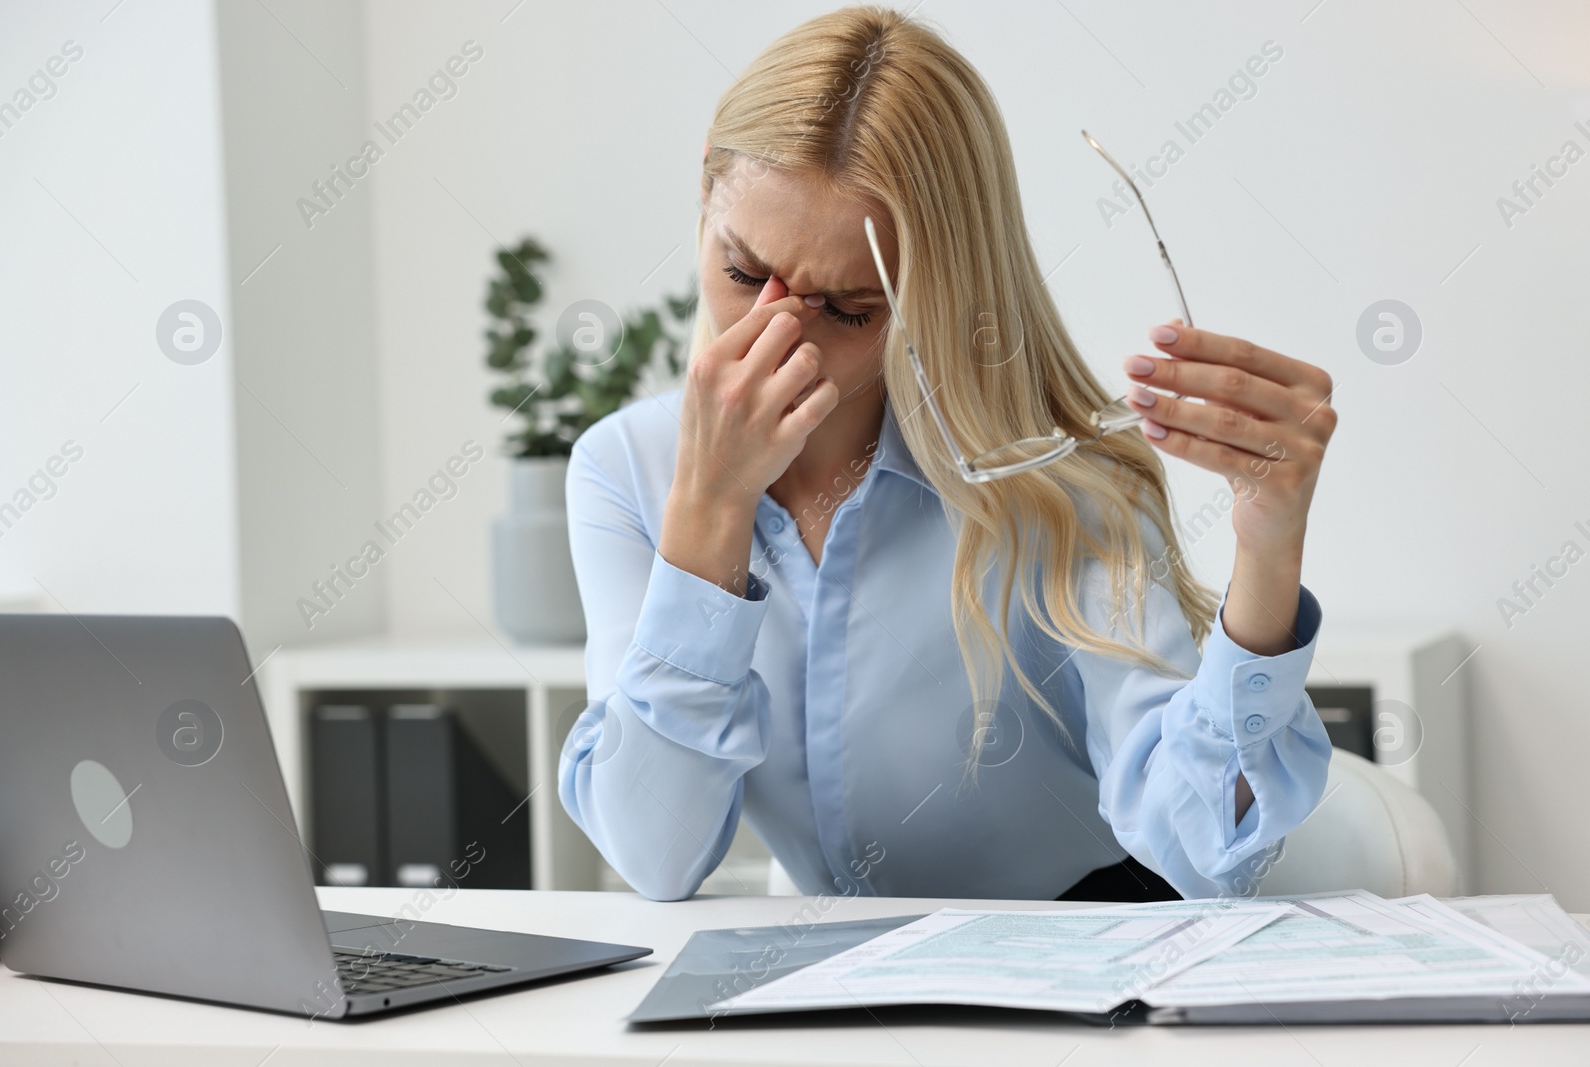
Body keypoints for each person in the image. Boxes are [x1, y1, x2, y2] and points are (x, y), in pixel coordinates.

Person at [557, 6, 1336, 903]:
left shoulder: (1049, 482)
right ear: (704, 192)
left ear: (939, 287)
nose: (783, 340)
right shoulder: (625, 471)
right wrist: (708, 514)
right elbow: (654, 856)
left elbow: (1205, 853)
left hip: (1076, 970)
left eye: (849, 309)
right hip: (840, 994)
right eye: (743, 273)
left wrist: (1270, 548)